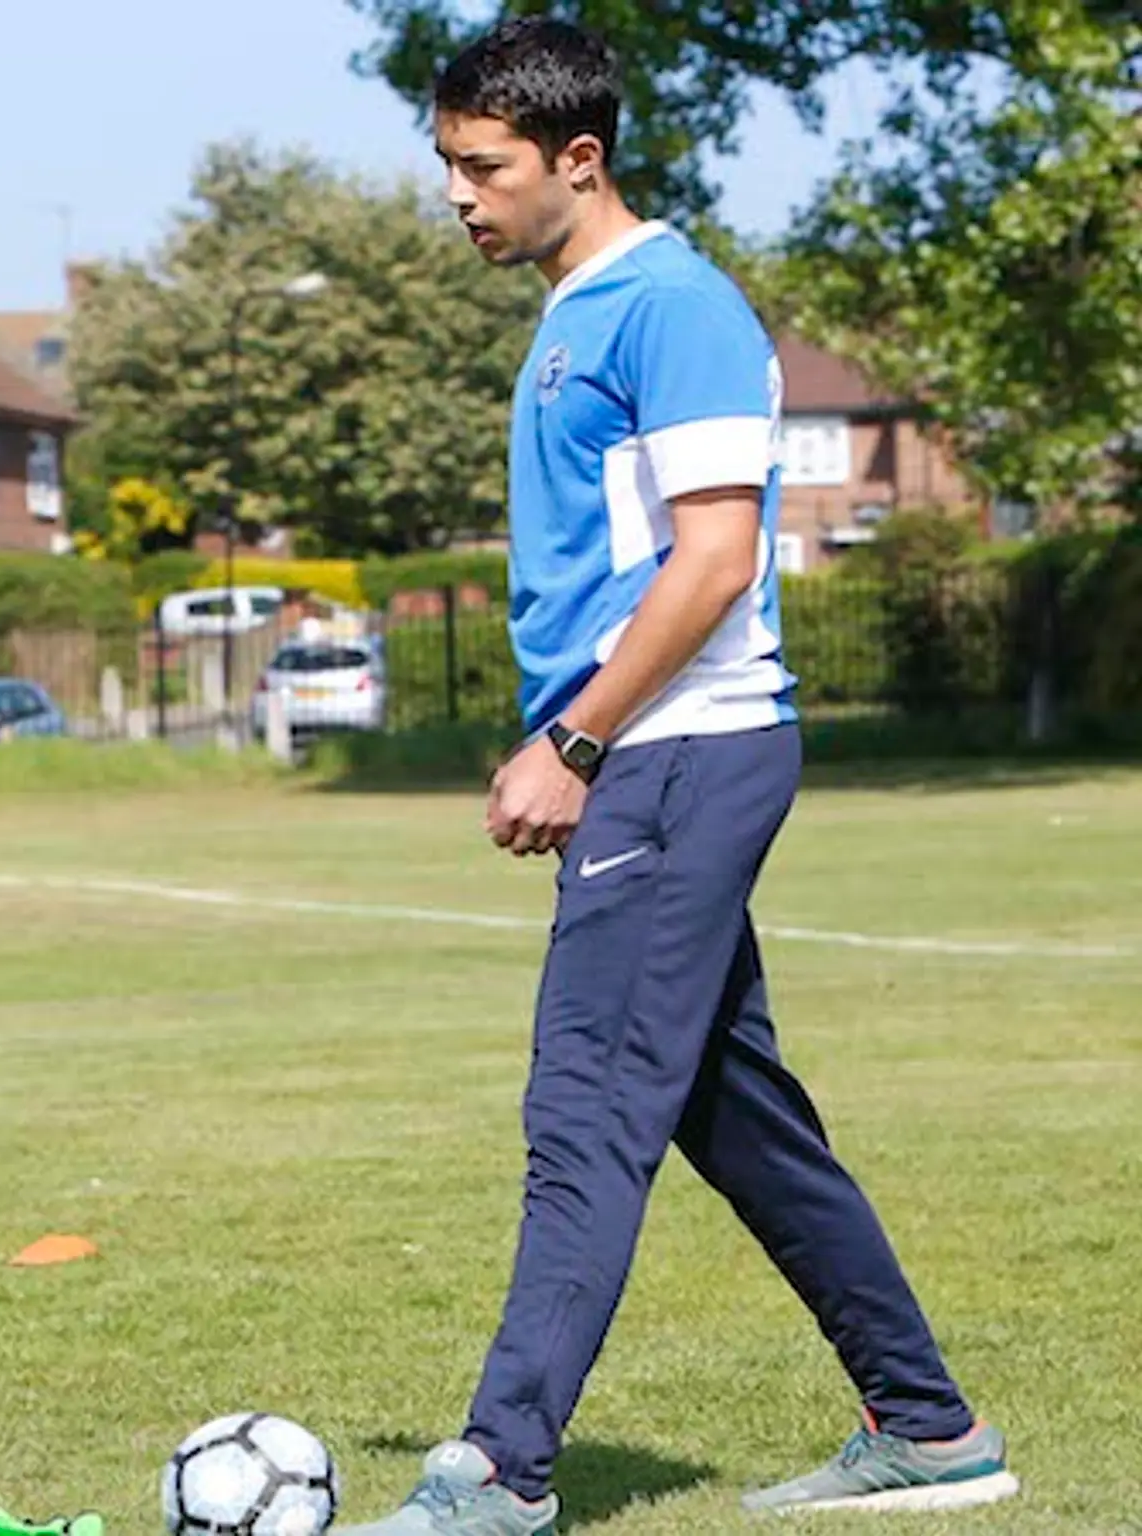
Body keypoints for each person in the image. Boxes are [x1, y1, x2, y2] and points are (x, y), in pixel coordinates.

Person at [338, 19, 1016, 1535]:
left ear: (577, 158)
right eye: (446, 164)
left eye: (480, 167)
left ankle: (500, 1471)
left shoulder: (677, 308)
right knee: (735, 1112)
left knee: (584, 1109)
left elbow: (717, 560)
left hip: (677, 751)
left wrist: (576, 740)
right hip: (655, 755)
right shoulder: (580, 306)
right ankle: (932, 1427)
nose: (457, 195)